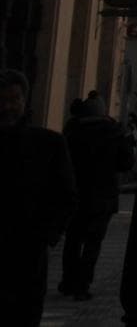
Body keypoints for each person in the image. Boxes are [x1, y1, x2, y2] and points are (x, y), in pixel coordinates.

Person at [0, 69, 76, 326]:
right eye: (3, 100)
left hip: (27, 254)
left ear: (25, 101)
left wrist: (46, 234)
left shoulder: (48, 144)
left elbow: (66, 195)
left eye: (14, 100)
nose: (8, 107)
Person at [59, 95, 132, 302]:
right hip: (104, 195)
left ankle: (68, 281)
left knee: (72, 239)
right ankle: (83, 284)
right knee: (93, 242)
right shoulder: (114, 132)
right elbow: (126, 163)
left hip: (77, 193)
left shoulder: (72, 131)